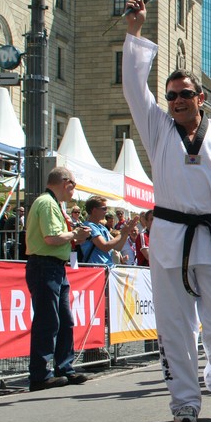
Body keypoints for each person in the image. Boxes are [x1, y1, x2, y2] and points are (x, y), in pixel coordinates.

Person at [123, 0, 211, 422]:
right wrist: (135, 31)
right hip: (170, 238)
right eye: (171, 95)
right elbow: (134, 90)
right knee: (175, 326)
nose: (176, 100)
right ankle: (183, 400)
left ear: (201, 98)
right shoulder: (158, 128)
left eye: (184, 94)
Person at [25, 167, 92, 391]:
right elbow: (51, 237)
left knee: (63, 319)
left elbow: (54, 238)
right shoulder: (47, 203)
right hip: (45, 265)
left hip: (53, 267)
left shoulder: (53, 203)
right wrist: (75, 235)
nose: (74, 191)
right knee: (48, 320)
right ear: (66, 183)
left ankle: (64, 368)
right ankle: (41, 375)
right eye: (74, 185)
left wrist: (74, 236)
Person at [79, 196, 139, 266]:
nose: (106, 211)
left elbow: (118, 247)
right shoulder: (89, 226)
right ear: (94, 210)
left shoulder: (102, 227)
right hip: (96, 268)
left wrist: (126, 231)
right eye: (104, 209)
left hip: (106, 267)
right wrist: (122, 232)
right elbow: (105, 247)